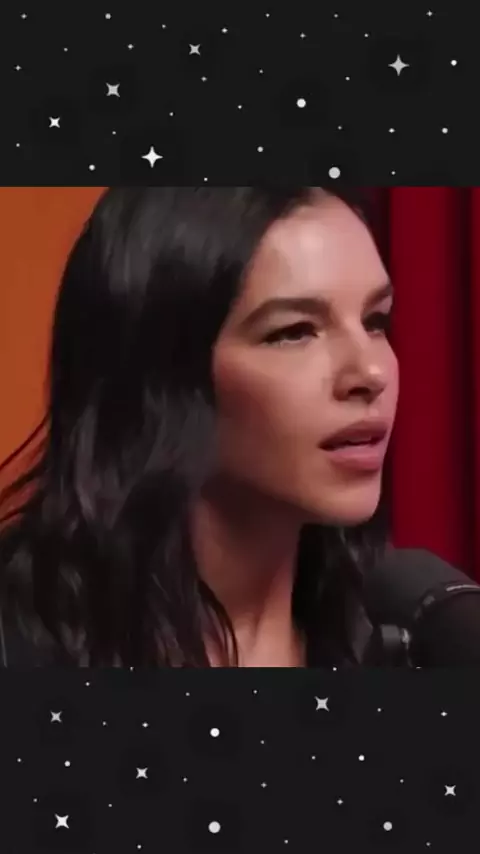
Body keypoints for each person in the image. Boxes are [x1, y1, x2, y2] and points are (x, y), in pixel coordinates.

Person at [0, 186, 398, 668]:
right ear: (158, 373)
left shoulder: (397, 639)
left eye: (375, 321)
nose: (370, 373)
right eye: (294, 332)